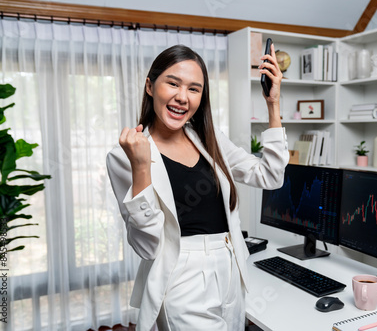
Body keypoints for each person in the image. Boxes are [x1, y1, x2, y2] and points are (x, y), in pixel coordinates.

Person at [106, 44, 288, 331]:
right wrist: (141, 167)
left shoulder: (208, 138)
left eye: (194, 89)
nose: (182, 97)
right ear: (150, 86)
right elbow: (147, 245)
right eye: (173, 83)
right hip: (181, 276)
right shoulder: (124, 155)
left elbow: (270, 176)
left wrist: (273, 104)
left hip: (230, 268)